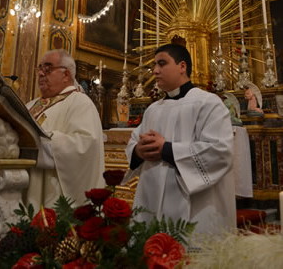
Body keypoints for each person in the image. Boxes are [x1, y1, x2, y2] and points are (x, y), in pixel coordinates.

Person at [125, 43, 236, 234]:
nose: (156, 71)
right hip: (151, 198)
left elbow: (220, 151)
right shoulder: (153, 109)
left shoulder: (208, 103)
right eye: (155, 66)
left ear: (182, 66)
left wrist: (166, 149)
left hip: (197, 206)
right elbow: (134, 143)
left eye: (162, 64)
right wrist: (138, 151)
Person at [25, 49, 105, 211]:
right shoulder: (30, 105)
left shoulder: (81, 103)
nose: (40, 73)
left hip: (54, 195)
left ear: (66, 75)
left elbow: (85, 146)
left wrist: (43, 142)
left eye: (48, 68)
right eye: (39, 68)